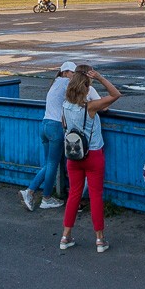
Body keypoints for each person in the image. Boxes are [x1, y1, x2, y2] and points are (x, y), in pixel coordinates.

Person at [19, 61, 97, 212]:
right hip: (56, 127)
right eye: (73, 73)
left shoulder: (55, 83)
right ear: (65, 72)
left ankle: (39, 194)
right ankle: (36, 194)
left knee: (49, 164)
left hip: (45, 124)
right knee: (52, 164)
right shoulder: (66, 83)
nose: (74, 76)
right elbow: (82, 97)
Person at [59, 69, 121, 253]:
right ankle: (100, 239)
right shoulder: (90, 107)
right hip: (93, 154)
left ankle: (65, 236)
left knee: (74, 195)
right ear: (85, 88)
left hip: (73, 154)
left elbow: (64, 125)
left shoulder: (65, 105)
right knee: (95, 196)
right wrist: (100, 77)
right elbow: (116, 94)